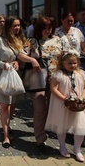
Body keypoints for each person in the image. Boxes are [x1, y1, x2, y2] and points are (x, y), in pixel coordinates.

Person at [0, 16, 40, 148]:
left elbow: (20, 54)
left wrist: (28, 60)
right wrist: (3, 64)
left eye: (18, 25)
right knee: (5, 106)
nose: (17, 28)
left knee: (12, 106)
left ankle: (8, 125)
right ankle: (5, 136)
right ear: (8, 27)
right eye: (14, 26)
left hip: (14, 77)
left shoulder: (17, 40)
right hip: (2, 77)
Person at [45, 51, 85, 162]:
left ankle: (77, 149)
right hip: (62, 104)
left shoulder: (81, 74)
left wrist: (82, 98)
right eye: (70, 63)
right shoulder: (58, 74)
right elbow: (53, 89)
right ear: (63, 63)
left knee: (80, 126)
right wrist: (65, 98)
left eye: (75, 63)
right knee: (62, 125)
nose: (73, 65)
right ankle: (62, 146)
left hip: (78, 104)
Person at [26, 16, 63, 150]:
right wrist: (32, 60)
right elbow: (20, 54)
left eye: (50, 28)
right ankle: (40, 138)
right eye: (44, 28)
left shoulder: (58, 40)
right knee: (40, 109)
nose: (47, 31)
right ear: (39, 29)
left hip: (56, 80)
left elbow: (64, 57)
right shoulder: (32, 41)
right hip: (38, 80)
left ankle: (59, 137)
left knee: (55, 108)